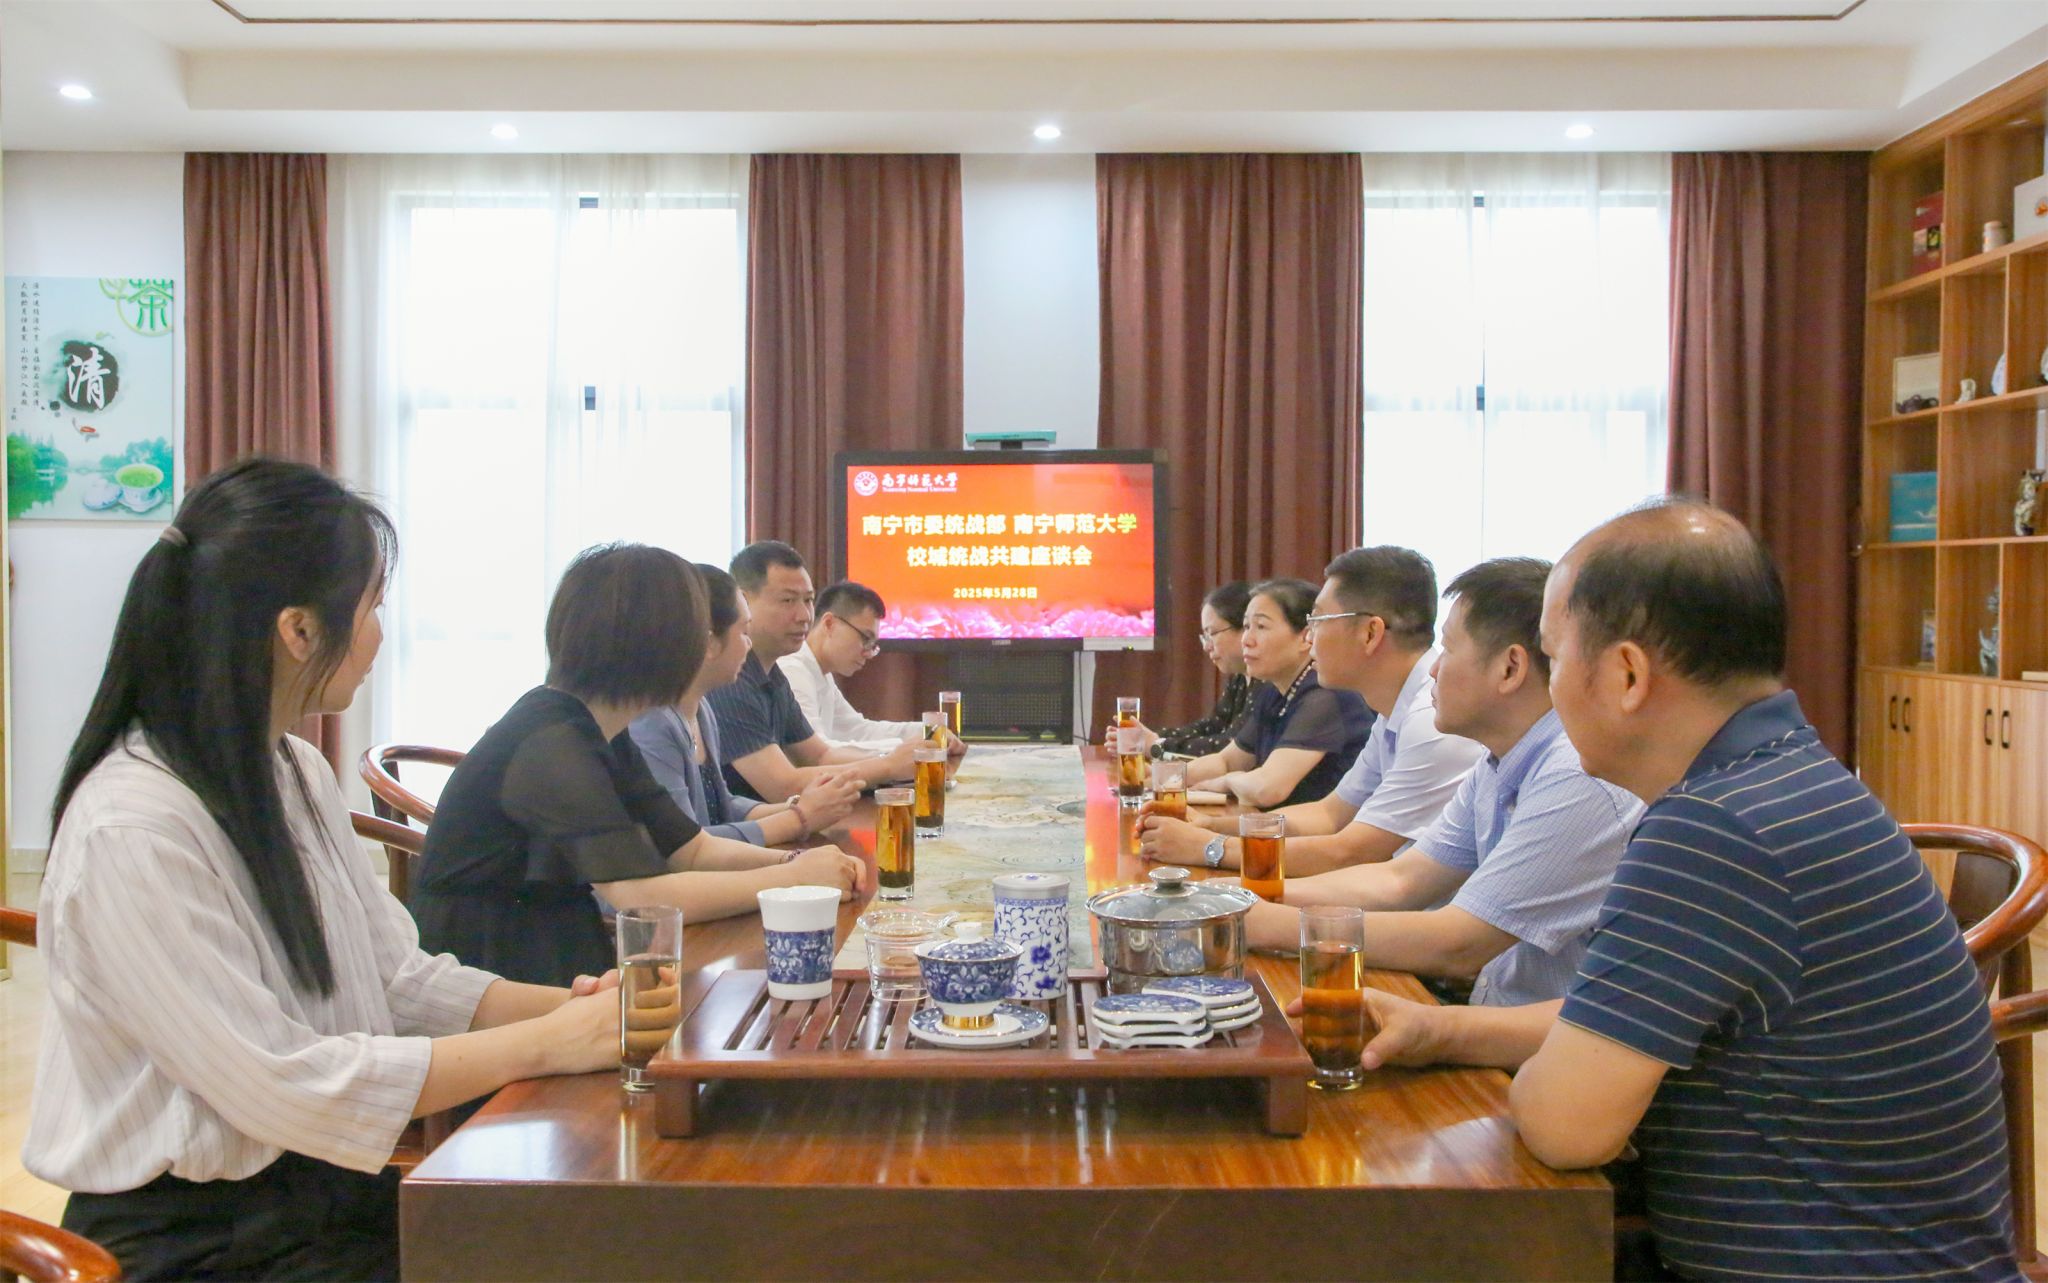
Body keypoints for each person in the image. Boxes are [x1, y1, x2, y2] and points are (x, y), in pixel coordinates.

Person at [1353, 501, 2019, 1282]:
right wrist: (1441, 1030)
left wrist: (1544, 1072)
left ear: (1627, 675)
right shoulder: (1784, 778)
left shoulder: (1709, 829)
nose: (1551, 690)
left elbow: (1566, 1126)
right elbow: (1626, 1021)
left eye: (1555, 658)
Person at [25, 459, 623, 1283]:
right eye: (371, 606)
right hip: (196, 1244)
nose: (378, 634)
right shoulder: (134, 825)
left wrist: (583, 1012)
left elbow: (397, 979)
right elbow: (282, 1084)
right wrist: (548, 1044)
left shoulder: (293, 769)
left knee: (593, 1236)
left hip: (317, 1196)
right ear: (299, 630)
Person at [414, 544, 865, 988]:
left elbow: (691, 850)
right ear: (658, 643)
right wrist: (791, 879)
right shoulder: (553, 741)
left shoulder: (604, 725)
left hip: (559, 946)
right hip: (498, 967)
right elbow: (644, 897)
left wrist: (795, 861)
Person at [1241, 558, 1641, 1008]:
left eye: (1447, 650)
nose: (1432, 670)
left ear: (1510, 668)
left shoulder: (1573, 778)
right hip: (1484, 1013)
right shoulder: (1498, 760)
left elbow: (1458, 944)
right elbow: (1401, 880)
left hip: (1528, 1040)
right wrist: (1248, 899)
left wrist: (1267, 923)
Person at [1142, 546, 1482, 877]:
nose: (1311, 636)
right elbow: (1328, 815)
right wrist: (1209, 826)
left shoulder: (1429, 720)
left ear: (1370, 633)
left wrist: (1209, 847)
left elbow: (1350, 851)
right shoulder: (1392, 710)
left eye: (1318, 619)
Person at [632, 564, 863, 845]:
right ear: (709, 644)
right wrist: (799, 818)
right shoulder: (652, 722)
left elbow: (722, 805)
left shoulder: (702, 710)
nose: (749, 644)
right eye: (743, 632)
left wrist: (804, 808)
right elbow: (685, 844)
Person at [706, 541, 921, 802]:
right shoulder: (729, 679)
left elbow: (820, 756)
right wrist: (888, 766)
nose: (804, 616)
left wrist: (899, 759)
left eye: (808, 600)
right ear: (743, 601)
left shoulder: (773, 675)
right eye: (788, 600)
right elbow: (782, 786)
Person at [1175, 578, 1373, 811]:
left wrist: (1226, 782)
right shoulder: (1274, 690)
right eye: (1246, 626)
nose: (1246, 640)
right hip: (1280, 826)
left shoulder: (1325, 695)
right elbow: (1227, 761)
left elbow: (1268, 789)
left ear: (1305, 637)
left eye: (1261, 627)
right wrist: (1163, 778)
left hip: (1322, 830)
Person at [778, 580, 941, 755]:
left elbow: (859, 731)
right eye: (865, 638)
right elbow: (819, 753)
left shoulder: (821, 674)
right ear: (829, 624)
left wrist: (931, 731)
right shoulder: (793, 671)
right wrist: (906, 749)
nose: (868, 653)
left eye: (872, 644)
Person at [1106, 581, 1257, 759]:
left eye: (1212, 634)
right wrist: (1151, 737)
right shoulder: (1240, 678)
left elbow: (1229, 746)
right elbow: (1213, 726)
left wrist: (1157, 744)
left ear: (1245, 629)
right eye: (1205, 637)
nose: (1207, 646)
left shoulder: (1269, 682)